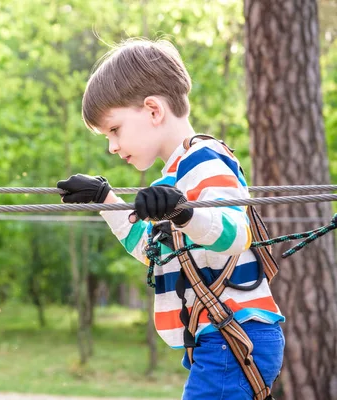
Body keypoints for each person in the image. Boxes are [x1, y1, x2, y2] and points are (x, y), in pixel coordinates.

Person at [57, 39, 285, 400]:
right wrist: (107, 201)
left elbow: (235, 233)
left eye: (114, 130)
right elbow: (152, 251)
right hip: (217, 337)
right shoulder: (171, 180)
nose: (112, 147)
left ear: (153, 110)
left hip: (235, 334)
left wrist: (182, 212)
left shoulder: (206, 160)